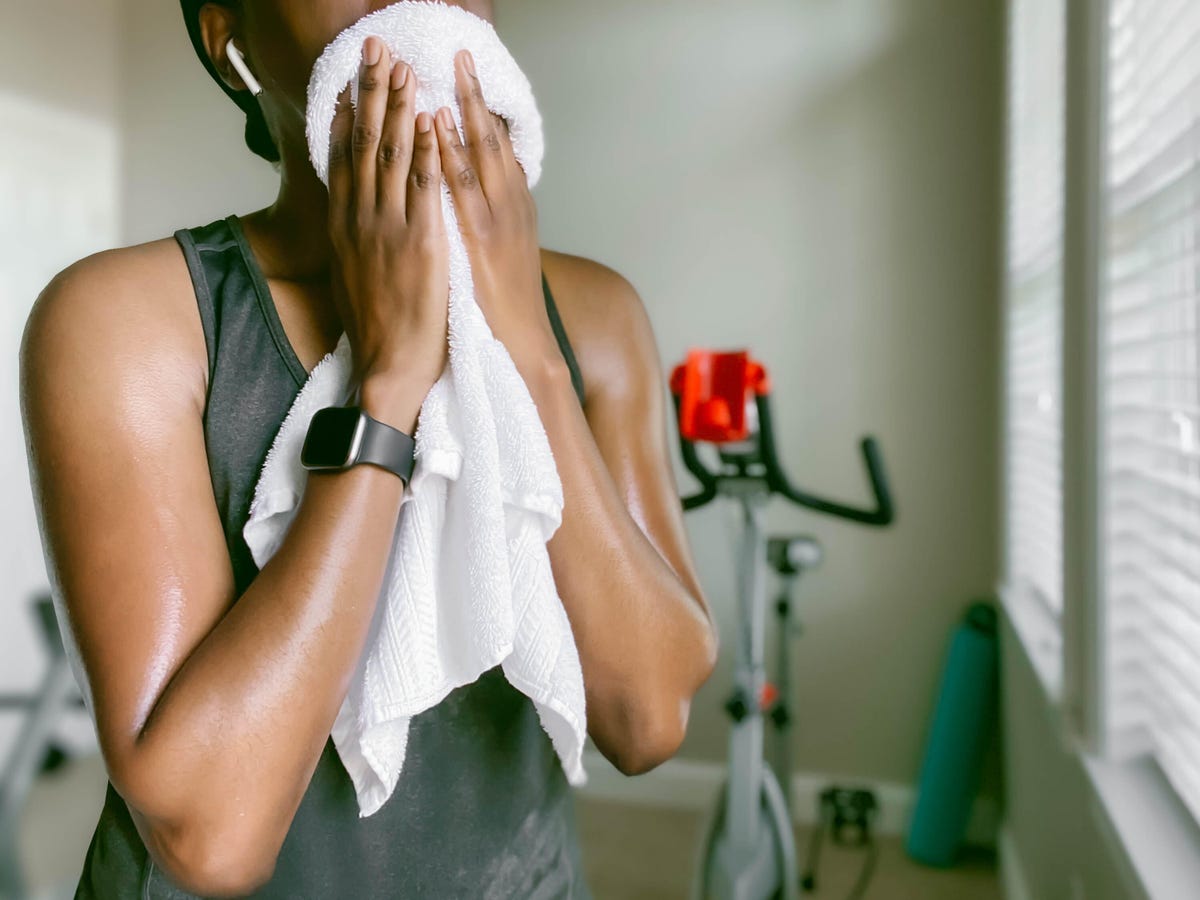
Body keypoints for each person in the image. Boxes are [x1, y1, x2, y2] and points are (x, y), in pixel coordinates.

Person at [18, 1, 719, 897]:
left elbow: (649, 718)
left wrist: (524, 344)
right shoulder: (127, 323)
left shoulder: (596, 317)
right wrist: (387, 386)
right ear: (230, 40)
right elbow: (210, 841)